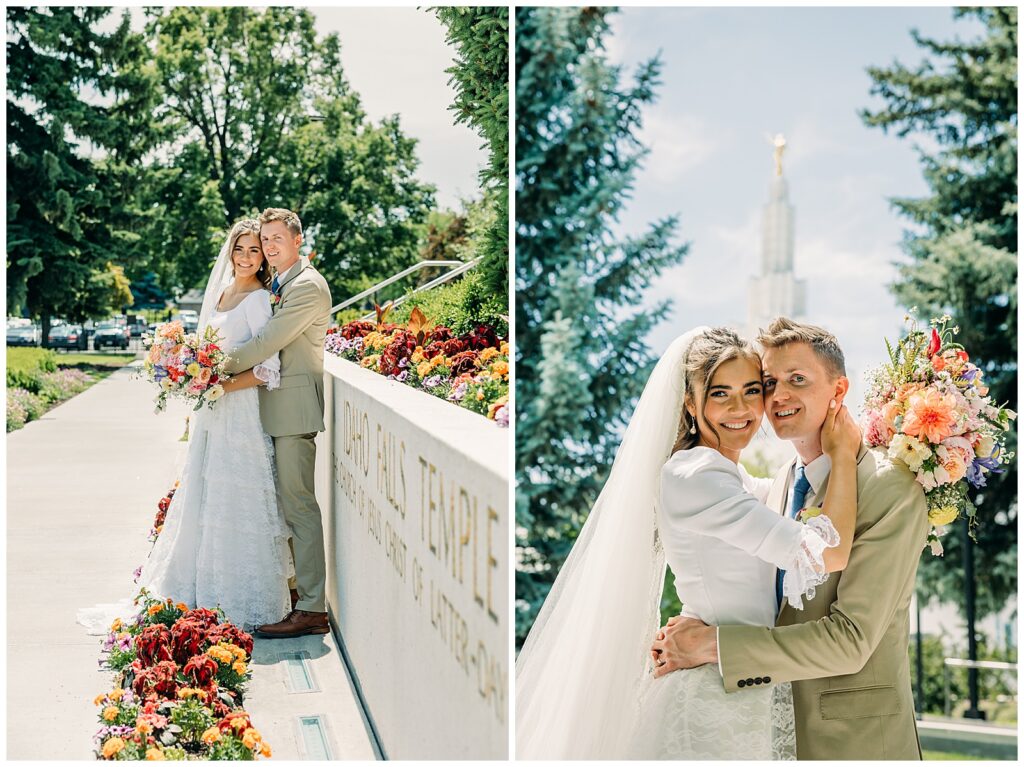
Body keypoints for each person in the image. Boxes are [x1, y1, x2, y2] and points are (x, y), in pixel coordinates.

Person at [515, 326, 862, 759]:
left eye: (752, 390)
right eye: (720, 394)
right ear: (689, 402)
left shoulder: (727, 476)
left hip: (741, 683)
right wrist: (845, 456)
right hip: (711, 701)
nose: (740, 408)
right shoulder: (695, 476)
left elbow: (784, 493)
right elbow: (826, 553)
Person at [651, 318, 930, 760]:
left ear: (839, 392)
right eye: (770, 382)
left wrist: (711, 643)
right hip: (755, 721)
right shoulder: (776, 484)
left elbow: (851, 639)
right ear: (691, 402)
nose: (777, 396)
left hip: (853, 742)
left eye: (797, 380)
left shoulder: (888, 486)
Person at [221, 207, 333, 639]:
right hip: (271, 409)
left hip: (293, 412)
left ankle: (311, 608)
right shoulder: (280, 284)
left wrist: (209, 367)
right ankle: (295, 593)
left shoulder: (307, 287)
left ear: (297, 240)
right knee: (282, 508)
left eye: (276, 239)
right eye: (264, 240)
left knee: (299, 507)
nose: (268, 247)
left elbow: (268, 342)